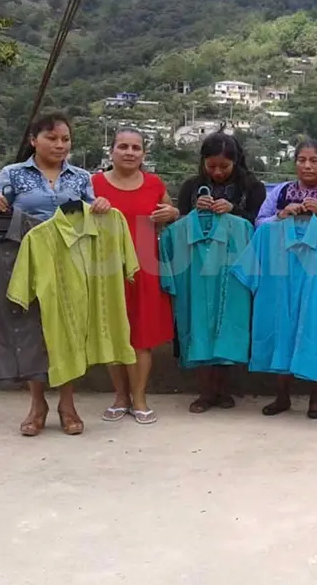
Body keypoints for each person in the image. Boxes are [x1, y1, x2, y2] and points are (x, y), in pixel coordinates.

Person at [0, 111, 112, 436]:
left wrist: (101, 205)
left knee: (68, 330)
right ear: (33, 140)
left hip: (71, 261)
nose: (60, 144)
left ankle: (68, 403)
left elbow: (91, 211)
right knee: (31, 331)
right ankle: (37, 405)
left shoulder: (80, 177)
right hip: (26, 261)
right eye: (52, 138)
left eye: (65, 139)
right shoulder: (14, 173)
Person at [256, 140, 317, 419]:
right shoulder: (281, 192)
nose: (307, 166)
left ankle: (316, 394)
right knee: (282, 325)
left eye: (314, 160)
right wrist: (281, 214)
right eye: (301, 160)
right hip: (283, 268)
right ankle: (282, 394)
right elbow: (259, 222)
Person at [92, 129, 179, 425]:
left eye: (136, 148)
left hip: (145, 267)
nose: (130, 152)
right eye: (123, 146)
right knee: (115, 334)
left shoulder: (154, 183)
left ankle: (140, 398)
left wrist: (173, 212)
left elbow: (170, 211)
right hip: (107, 267)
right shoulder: (94, 184)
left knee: (142, 339)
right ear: (112, 151)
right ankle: (120, 397)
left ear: (144, 153)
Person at [176, 130, 266, 412]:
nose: (217, 172)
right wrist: (194, 211)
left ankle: (224, 389)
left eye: (224, 167)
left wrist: (235, 211)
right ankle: (205, 391)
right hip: (197, 266)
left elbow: (260, 225)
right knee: (199, 324)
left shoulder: (252, 188)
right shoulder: (191, 187)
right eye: (211, 166)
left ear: (236, 162)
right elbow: (180, 225)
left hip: (235, 266)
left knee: (229, 324)